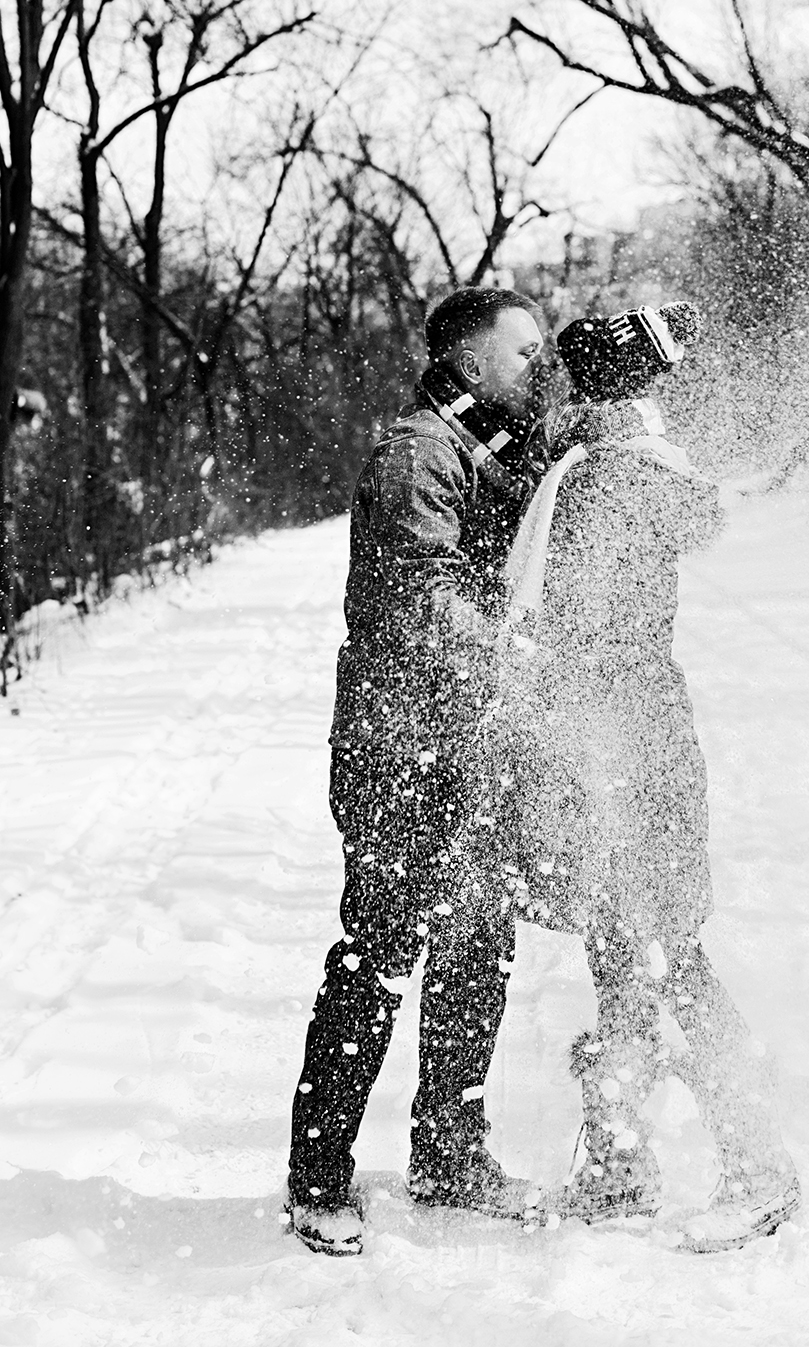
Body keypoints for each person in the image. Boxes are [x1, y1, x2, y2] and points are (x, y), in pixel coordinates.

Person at [492, 302, 800, 1252]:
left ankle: (758, 1166)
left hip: (625, 742)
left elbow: (582, 622)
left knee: (661, 950)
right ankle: (619, 1164)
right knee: (626, 951)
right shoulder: (609, 470)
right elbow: (692, 510)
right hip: (615, 735)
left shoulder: (603, 477)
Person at [284, 285, 550, 1257]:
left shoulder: (491, 447)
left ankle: (450, 1153)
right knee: (379, 953)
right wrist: (514, 657)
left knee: (478, 947)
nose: (540, 365)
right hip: (399, 750)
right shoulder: (417, 455)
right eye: (525, 352)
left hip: (472, 744)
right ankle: (316, 1177)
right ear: (472, 365)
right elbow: (421, 596)